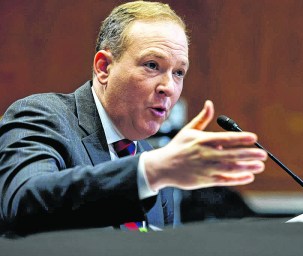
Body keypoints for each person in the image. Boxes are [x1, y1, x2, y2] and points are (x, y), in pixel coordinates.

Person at [0, 1, 267, 235]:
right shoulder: (44, 116)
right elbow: (24, 201)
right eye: (152, 65)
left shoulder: (152, 164)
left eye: (179, 73)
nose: (169, 87)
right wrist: (152, 171)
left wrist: (154, 171)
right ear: (104, 67)